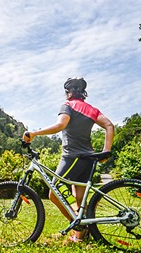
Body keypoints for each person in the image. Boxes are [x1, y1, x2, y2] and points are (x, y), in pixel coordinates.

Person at [22, 77, 114, 243]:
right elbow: (109, 125)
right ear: (83, 92)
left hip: (72, 156)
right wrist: (106, 151)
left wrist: (35, 133)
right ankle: (80, 235)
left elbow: (60, 125)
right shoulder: (91, 109)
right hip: (89, 158)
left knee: (54, 193)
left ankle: (77, 226)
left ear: (67, 92)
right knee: (78, 200)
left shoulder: (68, 106)